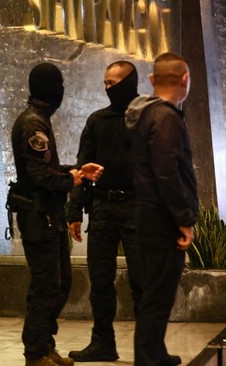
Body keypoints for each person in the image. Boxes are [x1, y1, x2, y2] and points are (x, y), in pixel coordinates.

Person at [9, 62, 103, 366]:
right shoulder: (33, 124)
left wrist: (74, 172)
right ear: (51, 89)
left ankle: (45, 344)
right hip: (39, 217)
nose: (62, 91)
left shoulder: (39, 120)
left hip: (49, 216)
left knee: (60, 285)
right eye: (58, 85)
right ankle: (35, 352)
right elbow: (38, 175)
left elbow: (46, 169)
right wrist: (71, 180)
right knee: (45, 286)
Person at [66, 61, 144, 362]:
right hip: (102, 208)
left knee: (143, 281)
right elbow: (82, 167)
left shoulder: (147, 119)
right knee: (100, 280)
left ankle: (148, 346)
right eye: (105, 83)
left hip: (138, 208)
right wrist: (74, 212)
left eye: (113, 83)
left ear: (129, 82)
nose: (108, 88)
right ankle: (102, 342)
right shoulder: (97, 120)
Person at [125, 52, 197, 366]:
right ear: (185, 79)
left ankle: (154, 354)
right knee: (158, 293)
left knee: (156, 290)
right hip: (161, 216)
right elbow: (167, 173)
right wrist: (183, 219)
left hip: (148, 212)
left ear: (153, 80)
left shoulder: (144, 114)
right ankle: (148, 360)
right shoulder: (165, 116)